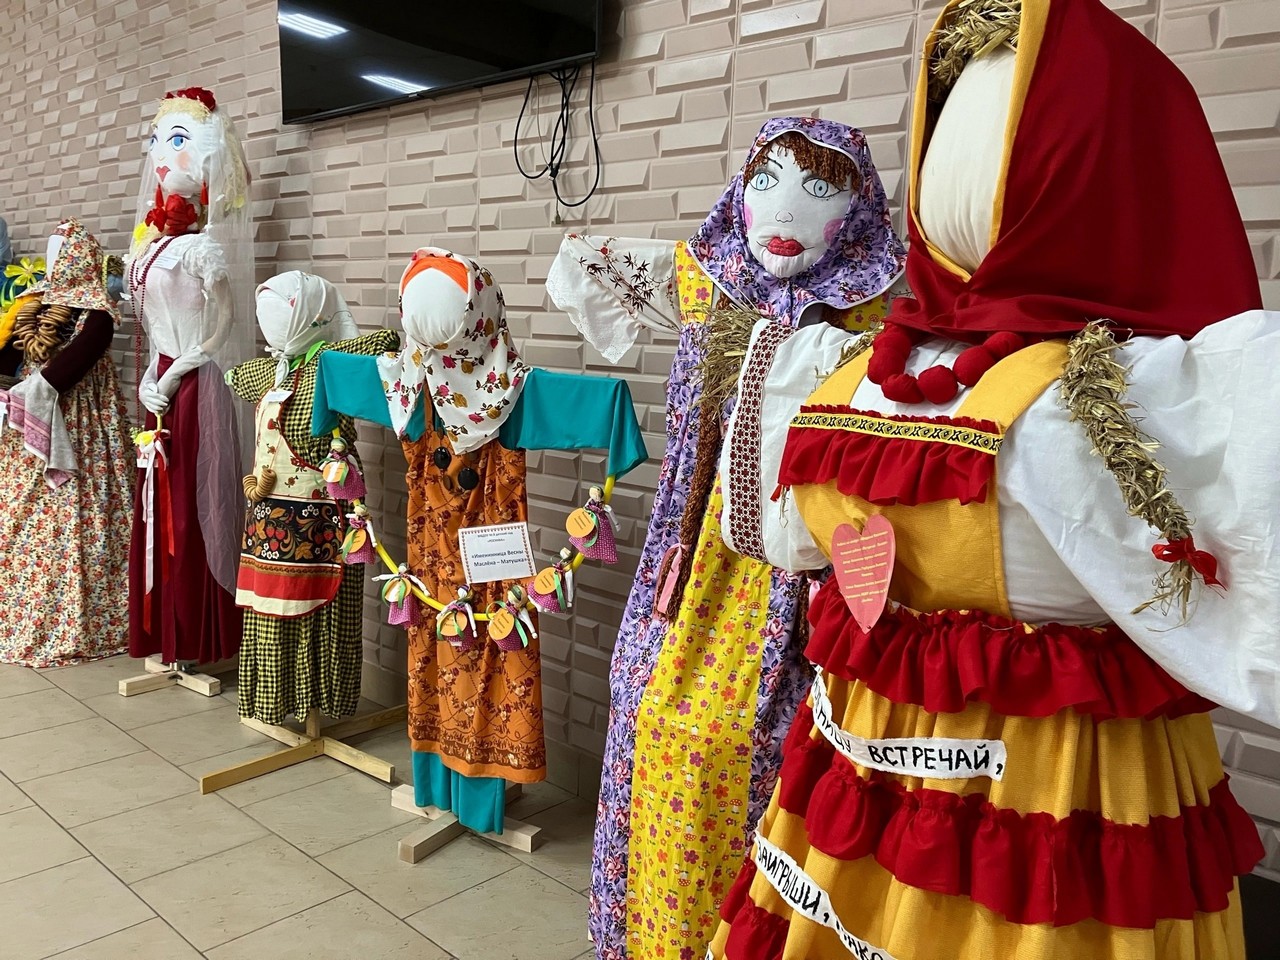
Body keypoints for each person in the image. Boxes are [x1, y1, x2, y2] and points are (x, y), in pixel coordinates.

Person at [709, 1, 1267, 957]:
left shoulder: (1130, 395)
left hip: (1039, 792)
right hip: (916, 773)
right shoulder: (865, 371)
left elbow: (790, 540)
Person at [552, 118, 907, 960]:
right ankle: (647, 934)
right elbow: (587, 263)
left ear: (856, 208)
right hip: (697, 545)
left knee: (780, 752)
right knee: (651, 714)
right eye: (767, 183)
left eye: (820, 190)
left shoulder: (884, 302)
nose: (785, 211)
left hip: (813, 559)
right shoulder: (713, 278)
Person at [227, 271, 397, 724]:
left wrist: (330, 342)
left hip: (321, 521)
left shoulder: (329, 363)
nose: (270, 321)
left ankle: (317, 706)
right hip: (269, 519)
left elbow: (385, 341)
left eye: (280, 311)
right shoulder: (270, 370)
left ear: (312, 316)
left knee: (319, 609)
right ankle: (279, 703)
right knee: (271, 606)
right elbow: (235, 377)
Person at [126, 86, 253, 664]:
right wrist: (150, 379)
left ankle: (198, 634)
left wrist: (176, 371)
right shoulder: (148, 247)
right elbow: (152, 324)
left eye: (177, 141)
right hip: (160, 382)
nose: (162, 155)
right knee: (158, 499)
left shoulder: (202, 249)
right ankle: (164, 631)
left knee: (193, 501)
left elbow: (224, 323)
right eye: (158, 141)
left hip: (195, 382)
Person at [0, 218, 133, 666]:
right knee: (16, 520)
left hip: (78, 430)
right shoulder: (34, 305)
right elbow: (9, 355)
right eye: (51, 250)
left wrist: (26, 391)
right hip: (26, 426)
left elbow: (68, 370)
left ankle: (80, 617)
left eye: (61, 251)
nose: (53, 258)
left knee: (74, 517)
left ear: (78, 258)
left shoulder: (97, 315)